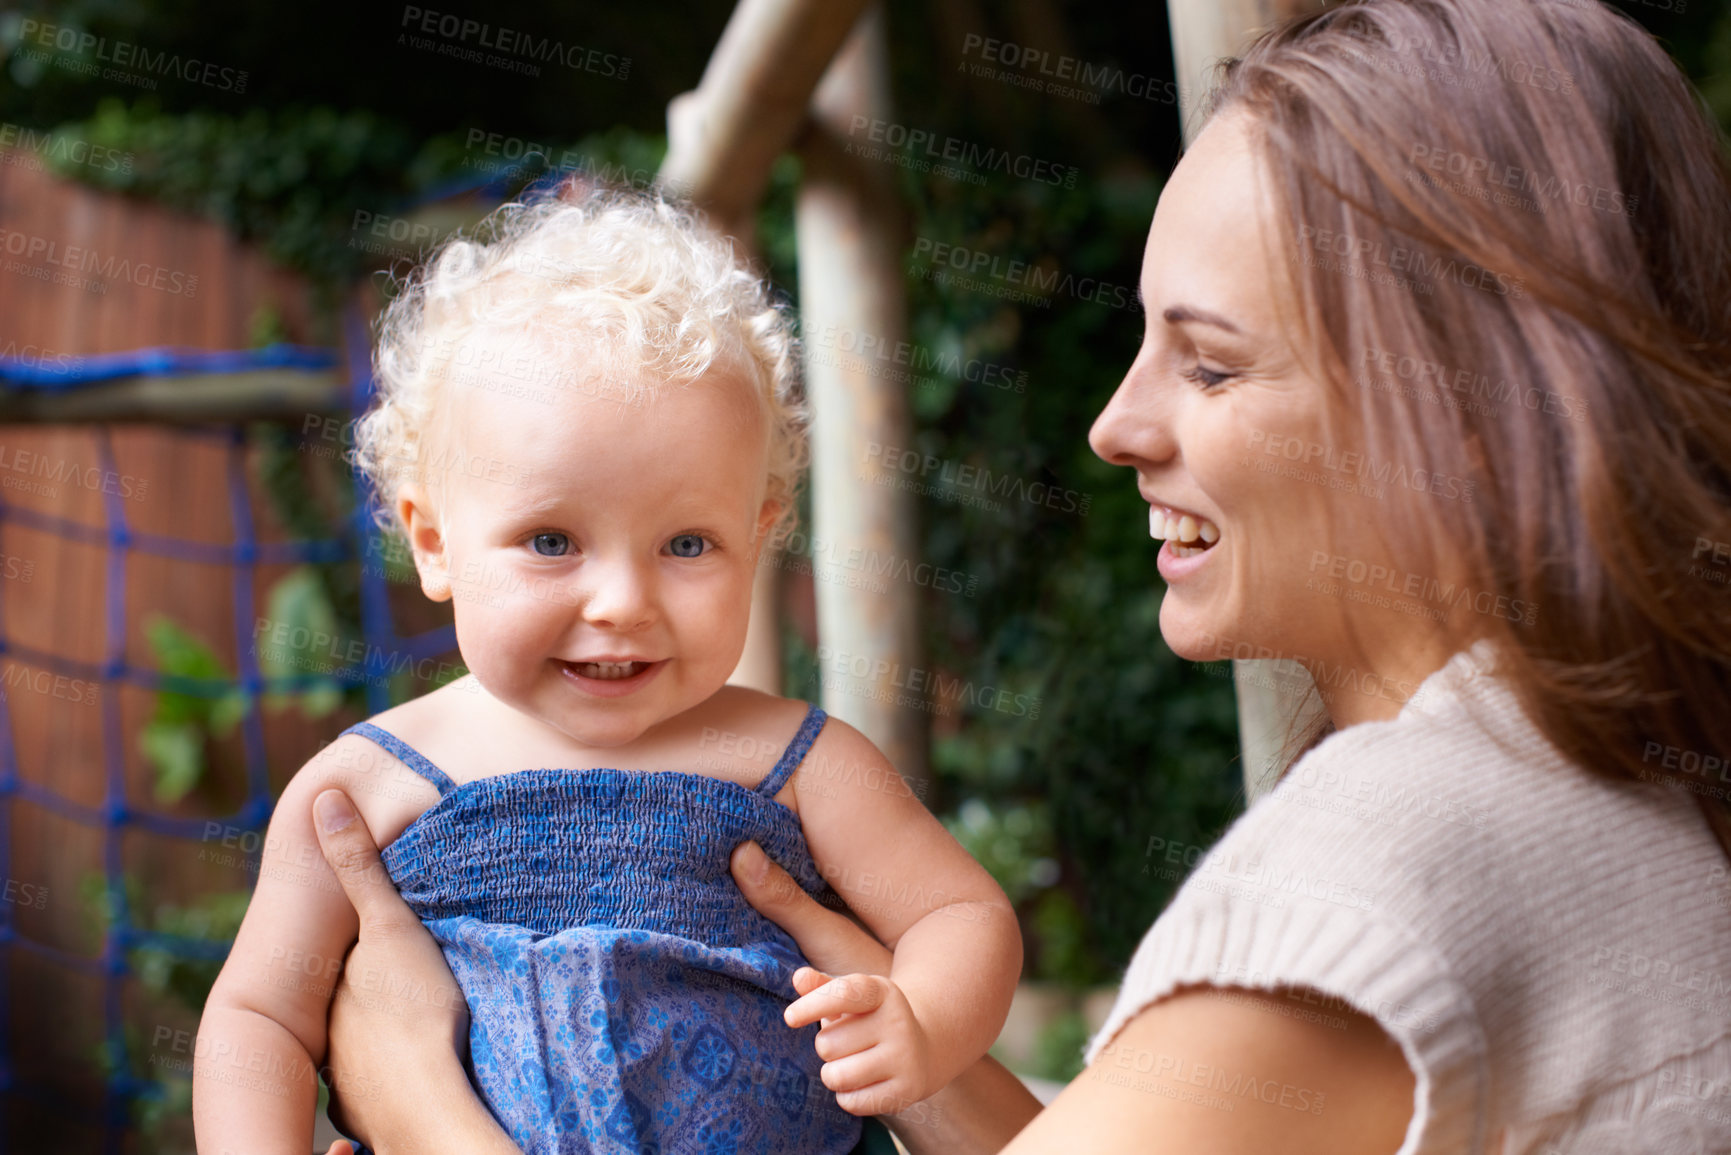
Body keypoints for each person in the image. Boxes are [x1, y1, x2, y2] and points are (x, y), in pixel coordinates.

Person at [309, 0, 1731, 1151]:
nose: (1115, 424)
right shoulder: (1597, 786)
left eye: (1211, 359)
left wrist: (417, 1099)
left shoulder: (1390, 863)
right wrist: (891, 1029)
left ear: (1466, 408)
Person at [191, 188, 1022, 1155]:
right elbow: (257, 1018)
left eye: (686, 541)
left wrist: (920, 1021)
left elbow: (962, 913)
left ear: (758, 539)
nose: (622, 600)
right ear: (433, 542)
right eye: (552, 539)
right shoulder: (364, 788)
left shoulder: (799, 761)